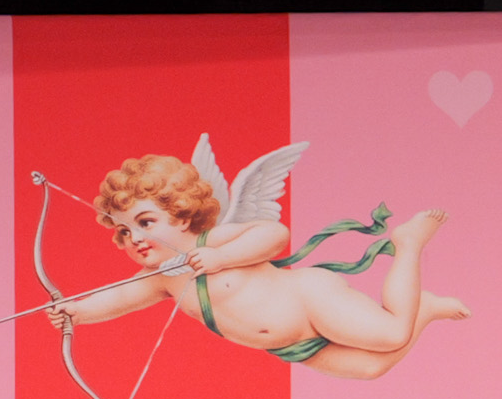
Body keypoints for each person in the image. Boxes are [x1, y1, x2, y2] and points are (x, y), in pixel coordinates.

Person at [41, 141, 463, 384]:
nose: (134, 237)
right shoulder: (160, 279)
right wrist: (74, 312)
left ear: (181, 214)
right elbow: (117, 299)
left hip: (308, 300)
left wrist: (221, 256)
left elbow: (274, 235)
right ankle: (424, 308)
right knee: (371, 368)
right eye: (123, 231)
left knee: (391, 334)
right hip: (289, 345)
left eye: (145, 222)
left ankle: (408, 244)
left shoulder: (212, 240)